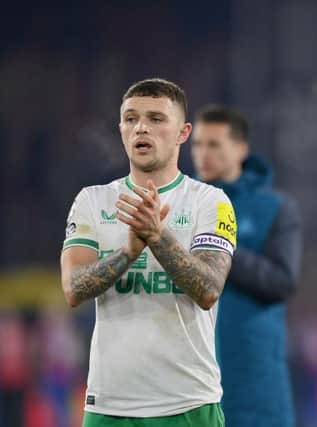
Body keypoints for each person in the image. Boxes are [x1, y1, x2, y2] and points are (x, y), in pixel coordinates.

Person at [60, 78, 235, 427]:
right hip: (110, 404)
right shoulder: (92, 201)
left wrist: (158, 236)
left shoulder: (210, 202)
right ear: (122, 129)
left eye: (156, 118)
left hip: (188, 403)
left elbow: (208, 289)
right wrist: (128, 252)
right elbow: (73, 289)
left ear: (183, 133)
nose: (141, 127)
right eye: (131, 118)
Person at [191, 105, 302, 427]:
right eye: (198, 144)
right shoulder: (183, 205)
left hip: (254, 375)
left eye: (214, 144)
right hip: (192, 371)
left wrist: (220, 248)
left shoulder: (275, 208)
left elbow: (282, 281)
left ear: (240, 149)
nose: (203, 154)